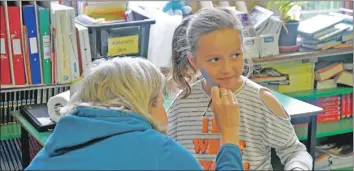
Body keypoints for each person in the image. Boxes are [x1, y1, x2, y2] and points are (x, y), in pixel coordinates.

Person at [25, 57, 244, 170]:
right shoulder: (159, 151)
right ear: (143, 104)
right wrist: (230, 136)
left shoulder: (57, 144)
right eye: (160, 102)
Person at [167, 8, 313, 171]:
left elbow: (295, 151)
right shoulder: (181, 105)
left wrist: (298, 168)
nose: (227, 68)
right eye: (215, 59)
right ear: (194, 62)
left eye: (236, 55)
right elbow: (166, 156)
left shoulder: (261, 100)